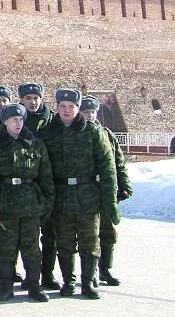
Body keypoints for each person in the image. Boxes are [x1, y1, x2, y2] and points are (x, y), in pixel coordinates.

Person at [39, 88, 117, 299]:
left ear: (78, 108)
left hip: (88, 195)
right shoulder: (47, 133)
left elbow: (107, 167)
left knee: (90, 242)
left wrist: (109, 199)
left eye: (71, 107)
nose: (66, 110)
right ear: (57, 107)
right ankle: (68, 282)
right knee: (64, 243)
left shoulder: (92, 132)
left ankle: (88, 283)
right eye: (62, 106)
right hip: (61, 196)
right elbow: (41, 168)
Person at [0, 103, 54, 303]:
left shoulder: (35, 144)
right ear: (5, 122)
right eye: (14, 120)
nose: (18, 123)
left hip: (30, 202)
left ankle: (34, 286)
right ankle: (5, 287)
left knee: (31, 246)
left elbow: (46, 177)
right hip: (5, 203)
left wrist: (47, 203)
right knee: (6, 247)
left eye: (21, 119)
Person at [79, 95, 133, 287]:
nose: (90, 116)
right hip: (87, 192)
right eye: (85, 112)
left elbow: (119, 162)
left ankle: (105, 269)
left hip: (107, 190)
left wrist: (124, 185)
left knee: (108, 232)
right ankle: (90, 272)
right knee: (89, 235)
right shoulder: (77, 134)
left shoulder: (107, 134)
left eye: (92, 112)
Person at [17, 81, 59, 290]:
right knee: (29, 235)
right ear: (22, 100)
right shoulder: (17, 120)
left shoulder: (53, 120)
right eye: (28, 99)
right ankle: (30, 274)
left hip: (49, 180)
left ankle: (48, 274)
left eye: (36, 98)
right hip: (27, 185)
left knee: (49, 233)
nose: (32, 102)